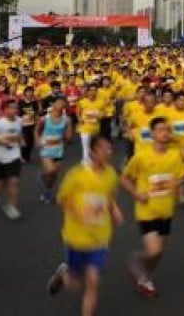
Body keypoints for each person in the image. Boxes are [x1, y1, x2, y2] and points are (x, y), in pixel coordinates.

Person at [47, 134, 123, 316]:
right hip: (76, 237)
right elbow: (62, 199)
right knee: (74, 284)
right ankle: (64, 273)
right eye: (104, 148)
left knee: (93, 281)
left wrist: (115, 210)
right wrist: (78, 213)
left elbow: (110, 197)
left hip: (99, 237)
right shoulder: (77, 174)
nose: (108, 152)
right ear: (93, 152)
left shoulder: (111, 174)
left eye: (109, 148)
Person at [120, 116, 184, 297]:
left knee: (159, 253)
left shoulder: (174, 155)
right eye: (161, 130)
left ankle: (145, 278)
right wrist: (135, 194)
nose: (165, 133)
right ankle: (136, 262)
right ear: (152, 134)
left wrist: (178, 187)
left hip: (166, 209)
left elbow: (180, 176)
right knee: (154, 250)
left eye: (167, 129)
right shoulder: (141, 156)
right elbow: (124, 178)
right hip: (146, 210)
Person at [0, 98, 25, 220]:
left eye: (16, 108)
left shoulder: (19, 121)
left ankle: (11, 207)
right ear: (6, 110)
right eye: (12, 108)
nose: (15, 110)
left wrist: (21, 140)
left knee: (14, 182)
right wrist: (0, 140)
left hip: (14, 156)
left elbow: (19, 134)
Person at [37, 97, 72, 203]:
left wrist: (68, 136)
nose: (60, 105)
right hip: (46, 148)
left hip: (58, 149)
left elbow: (69, 134)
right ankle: (42, 176)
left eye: (63, 103)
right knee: (51, 170)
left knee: (54, 175)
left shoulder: (67, 120)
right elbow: (37, 130)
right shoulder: (45, 118)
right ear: (54, 105)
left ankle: (47, 192)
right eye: (58, 103)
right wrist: (37, 139)